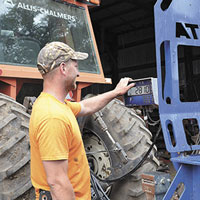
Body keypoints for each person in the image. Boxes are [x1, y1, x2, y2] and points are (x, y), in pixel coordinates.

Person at [29, 41, 135, 200]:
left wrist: (115, 93)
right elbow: (57, 183)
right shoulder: (52, 116)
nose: (78, 74)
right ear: (63, 68)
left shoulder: (56, 105)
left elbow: (85, 107)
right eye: (76, 67)